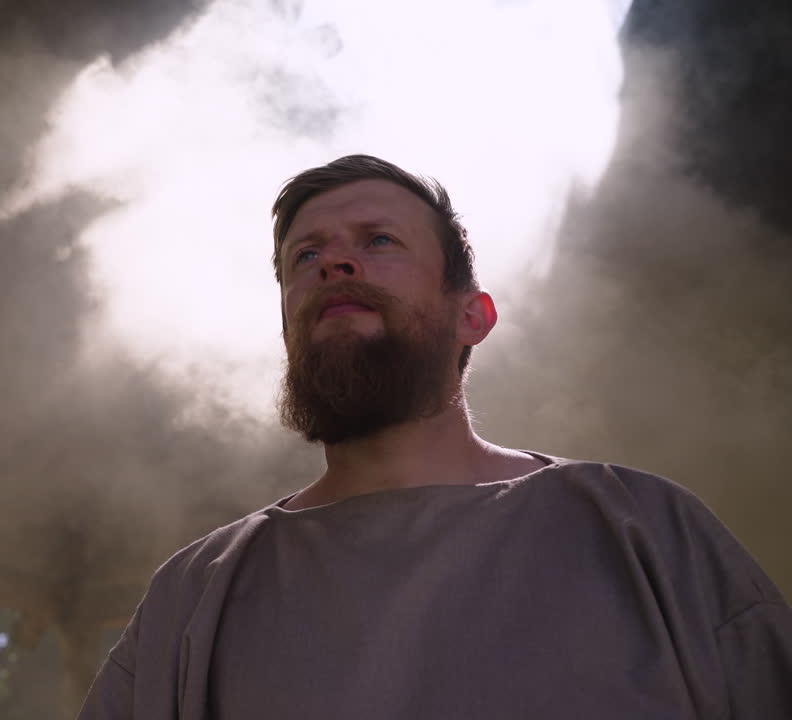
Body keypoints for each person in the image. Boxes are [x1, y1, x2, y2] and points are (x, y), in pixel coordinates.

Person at [76, 154, 792, 719]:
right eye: (306, 256)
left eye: (378, 241)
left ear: (472, 316)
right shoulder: (195, 594)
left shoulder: (645, 530)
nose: (333, 263)